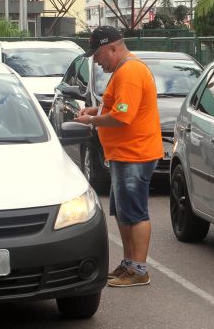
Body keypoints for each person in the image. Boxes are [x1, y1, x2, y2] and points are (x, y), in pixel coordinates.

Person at [73, 26, 162, 287]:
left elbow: (123, 117)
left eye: (98, 55)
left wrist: (91, 120)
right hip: (125, 154)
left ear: (112, 48)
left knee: (134, 212)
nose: (97, 62)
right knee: (124, 211)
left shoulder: (131, 72)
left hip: (135, 153)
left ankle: (138, 269)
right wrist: (94, 110)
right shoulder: (124, 70)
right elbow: (117, 106)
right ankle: (129, 264)